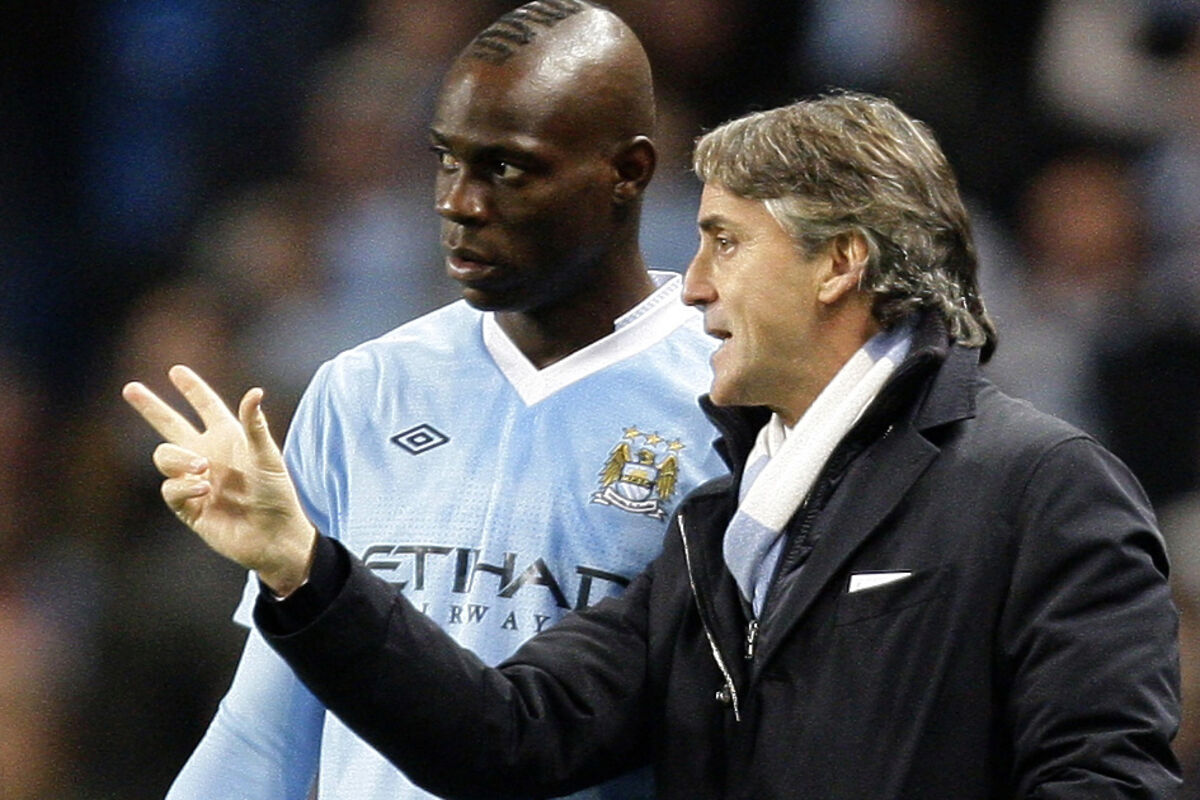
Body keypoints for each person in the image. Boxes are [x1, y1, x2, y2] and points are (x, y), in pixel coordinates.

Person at [125, 91, 1183, 798]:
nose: (694, 286)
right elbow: (505, 731)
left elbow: (1104, 781)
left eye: (726, 242)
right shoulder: (715, 532)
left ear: (840, 263)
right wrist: (303, 567)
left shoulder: (1039, 485)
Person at [124, 2, 727, 798]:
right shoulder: (363, 390)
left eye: (507, 169)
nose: (458, 202)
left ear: (629, 172)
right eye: (447, 160)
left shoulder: (726, 401)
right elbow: (270, 728)